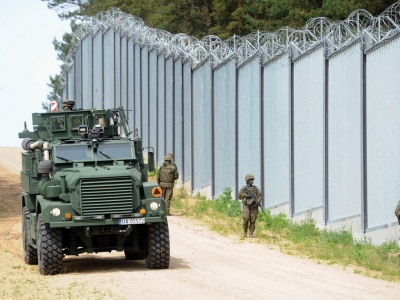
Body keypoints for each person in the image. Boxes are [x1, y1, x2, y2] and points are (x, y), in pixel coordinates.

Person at [237, 174, 263, 238]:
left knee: (253, 219)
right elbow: (239, 196)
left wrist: (258, 201)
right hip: (246, 205)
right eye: (251, 180)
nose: (252, 181)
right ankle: (245, 231)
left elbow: (260, 196)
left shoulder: (255, 188)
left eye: (252, 180)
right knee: (246, 218)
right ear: (247, 180)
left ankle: (251, 233)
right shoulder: (244, 189)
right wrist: (246, 195)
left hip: (254, 206)